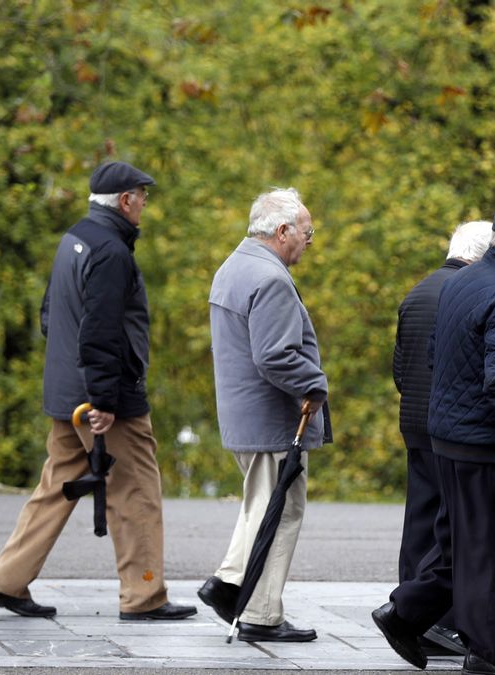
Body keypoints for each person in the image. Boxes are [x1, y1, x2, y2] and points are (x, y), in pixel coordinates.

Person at [0, 161, 196, 621]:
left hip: (66, 391)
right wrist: (103, 400)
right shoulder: (112, 253)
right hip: (103, 399)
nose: (144, 204)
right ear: (124, 201)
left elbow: (49, 315)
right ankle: (144, 596)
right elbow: (100, 332)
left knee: (57, 486)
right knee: (136, 491)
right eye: (142, 196)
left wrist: (74, 384)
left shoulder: (73, 239)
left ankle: (6, 581)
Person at [372, 202, 495, 675]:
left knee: (458, 543)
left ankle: (404, 614)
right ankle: (490, 654)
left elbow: (435, 357)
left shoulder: (460, 284)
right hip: (481, 445)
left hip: (446, 441)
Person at [197, 187, 330, 642]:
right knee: (282, 510)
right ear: (282, 231)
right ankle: (258, 611)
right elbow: (275, 356)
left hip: (244, 415)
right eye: (307, 232)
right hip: (272, 419)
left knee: (262, 505)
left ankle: (230, 584)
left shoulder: (233, 267)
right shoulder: (269, 278)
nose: (310, 241)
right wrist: (315, 384)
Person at [392, 220, 495, 657]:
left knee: (419, 521)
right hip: (450, 428)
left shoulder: (417, 291)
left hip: (414, 420)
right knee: (453, 526)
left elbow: (400, 364)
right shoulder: (467, 294)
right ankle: (438, 622)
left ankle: (408, 615)